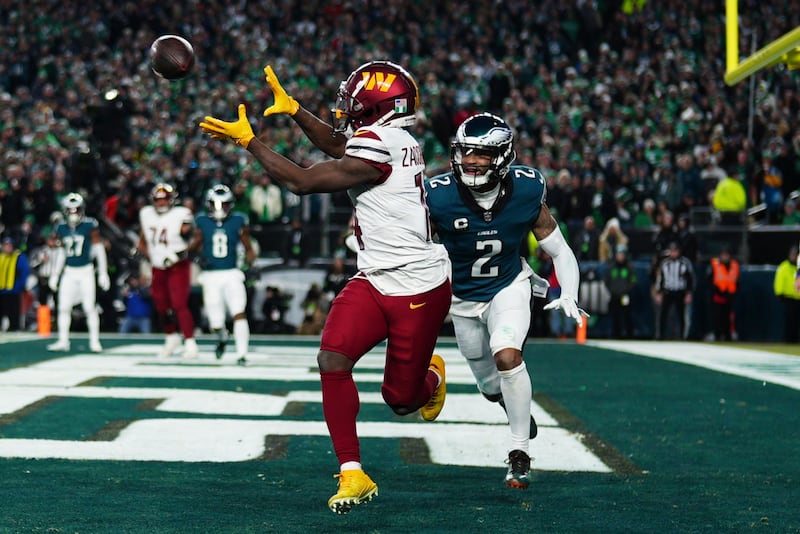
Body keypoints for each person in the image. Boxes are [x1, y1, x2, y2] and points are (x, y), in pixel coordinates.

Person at [199, 60, 451, 514]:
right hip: (375, 276)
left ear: (378, 108)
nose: (346, 111)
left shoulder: (382, 145)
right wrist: (294, 110)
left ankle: (431, 378)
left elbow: (303, 182)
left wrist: (250, 142)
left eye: (355, 104)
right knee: (332, 358)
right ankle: (352, 471)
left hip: (417, 283)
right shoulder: (393, 137)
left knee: (400, 399)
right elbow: (339, 144)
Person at [425, 113, 586, 490]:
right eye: (465, 152)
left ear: (502, 157)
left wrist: (570, 293)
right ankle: (509, 406)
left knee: (507, 354)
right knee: (487, 384)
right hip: (460, 299)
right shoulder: (438, 195)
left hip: (507, 286)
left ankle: (519, 453)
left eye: (480, 154)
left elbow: (560, 251)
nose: (470, 161)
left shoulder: (527, 190)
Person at [189, 184, 257, 365]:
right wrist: (195, 257)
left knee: (238, 312)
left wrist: (250, 266)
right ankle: (222, 337)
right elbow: (193, 246)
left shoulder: (238, 220)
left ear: (231, 205)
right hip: (210, 275)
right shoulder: (202, 221)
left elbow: (248, 247)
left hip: (232, 273)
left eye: (224, 205)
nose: (220, 209)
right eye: (216, 204)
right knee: (215, 323)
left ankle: (242, 354)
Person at [137, 183, 198, 359]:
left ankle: (190, 341)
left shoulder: (181, 214)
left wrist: (176, 255)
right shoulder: (146, 214)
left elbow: (193, 240)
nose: (161, 203)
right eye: (158, 199)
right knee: (161, 305)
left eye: (164, 199)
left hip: (177, 265)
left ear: (172, 200)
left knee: (179, 304)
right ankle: (171, 337)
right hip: (157, 266)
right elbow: (143, 240)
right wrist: (150, 255)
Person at [47, 194, 109, 351]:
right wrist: (55, 274)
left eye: (76, 210)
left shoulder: (90, 225)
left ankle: (95, 341)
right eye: (70, 210)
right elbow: (60, 253)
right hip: (69, 271)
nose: (73, 213)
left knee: (89, 307)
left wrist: (103, 272)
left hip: (86, 271)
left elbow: (98, 248)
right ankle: (63, 340)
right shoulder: (61, 227)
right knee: (63, 307)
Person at [654, 241, 695, 340]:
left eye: (675, 251)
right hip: (667, 291)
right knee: (663, 314)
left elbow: (691, 279)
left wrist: (689, 293)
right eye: (672, 251)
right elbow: (660, 278)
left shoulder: (685, 263)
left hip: (680, 291)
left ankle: (682, 336)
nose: (673, 253)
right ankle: (661, 335)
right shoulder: (665, 263)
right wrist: (659, 292)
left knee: (681, 315)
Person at [603, 244, 637, 338]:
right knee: (615, 315)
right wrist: (612, 291)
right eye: (619, 254)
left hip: (625, 295)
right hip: (614, 295)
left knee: (626, 315)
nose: (620, 257)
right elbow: (607, 281)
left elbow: (633, 281)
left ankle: (629, 334)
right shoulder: (611, 268)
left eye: (622, 254)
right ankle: (615, 334)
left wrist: (626, 291)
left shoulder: (629, 268)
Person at [708, 247, 740, 341]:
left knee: (728, 318)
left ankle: (728, 336)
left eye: (726, 255)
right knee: (717, 317)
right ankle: (717, 335)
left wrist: (734, 293)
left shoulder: (734, 265)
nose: (725, 257)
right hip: (718, 295)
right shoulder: (715, 264)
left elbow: (737, 281)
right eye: (723, 255)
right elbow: (710, 281)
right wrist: (716, 291)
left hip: (730, 296)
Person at [0, 236, 30, 332]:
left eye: (9, 245)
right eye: (5, 245)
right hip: (1, 290)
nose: (7, 248)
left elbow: (24, 272)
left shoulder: (18, 257)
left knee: (14, 311)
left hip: (13, 290)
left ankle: (14, 327)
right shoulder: (1, 257)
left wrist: (20, 285)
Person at [776, 245, 800, 342]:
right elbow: (779, 280)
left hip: (799, 298)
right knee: (789, 322)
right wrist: (779, 293)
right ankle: (788, 341)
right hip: (788, 298)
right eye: (792, 254)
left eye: (795, 255)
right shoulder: (784, 266)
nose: (793, 256)